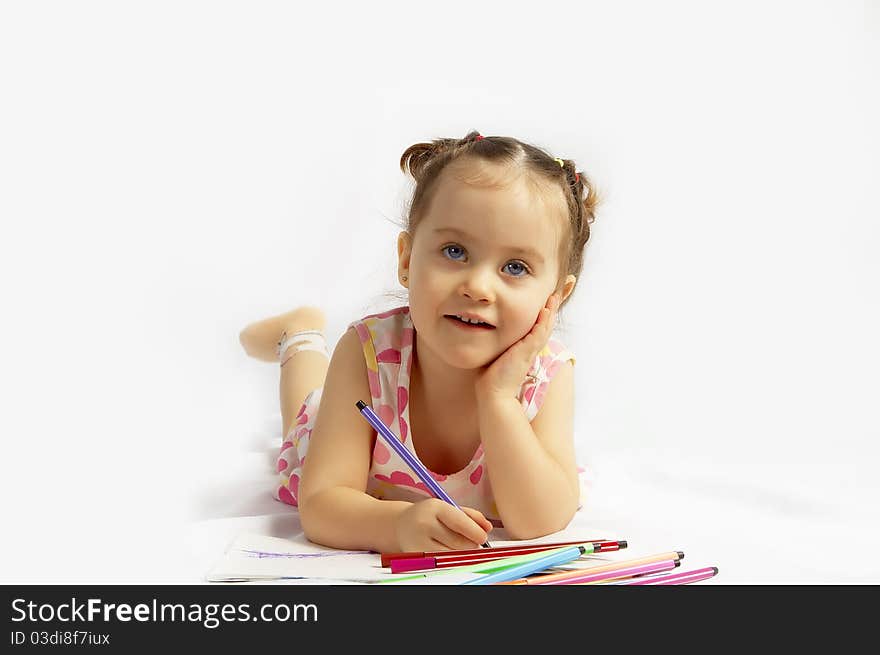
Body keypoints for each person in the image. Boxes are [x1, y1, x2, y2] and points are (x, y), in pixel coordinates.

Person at [239, 130, 599, 554]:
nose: (479, 286)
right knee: (307, 410)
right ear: (407, 259)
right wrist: (395, 525)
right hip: (341, 425)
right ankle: (298, 337)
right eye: (454, 251)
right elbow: (320, 504)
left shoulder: (548, 375)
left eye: (515, 267)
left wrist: (499, 398)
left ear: (556, 297)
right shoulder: (367, 351)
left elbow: (539, 520)